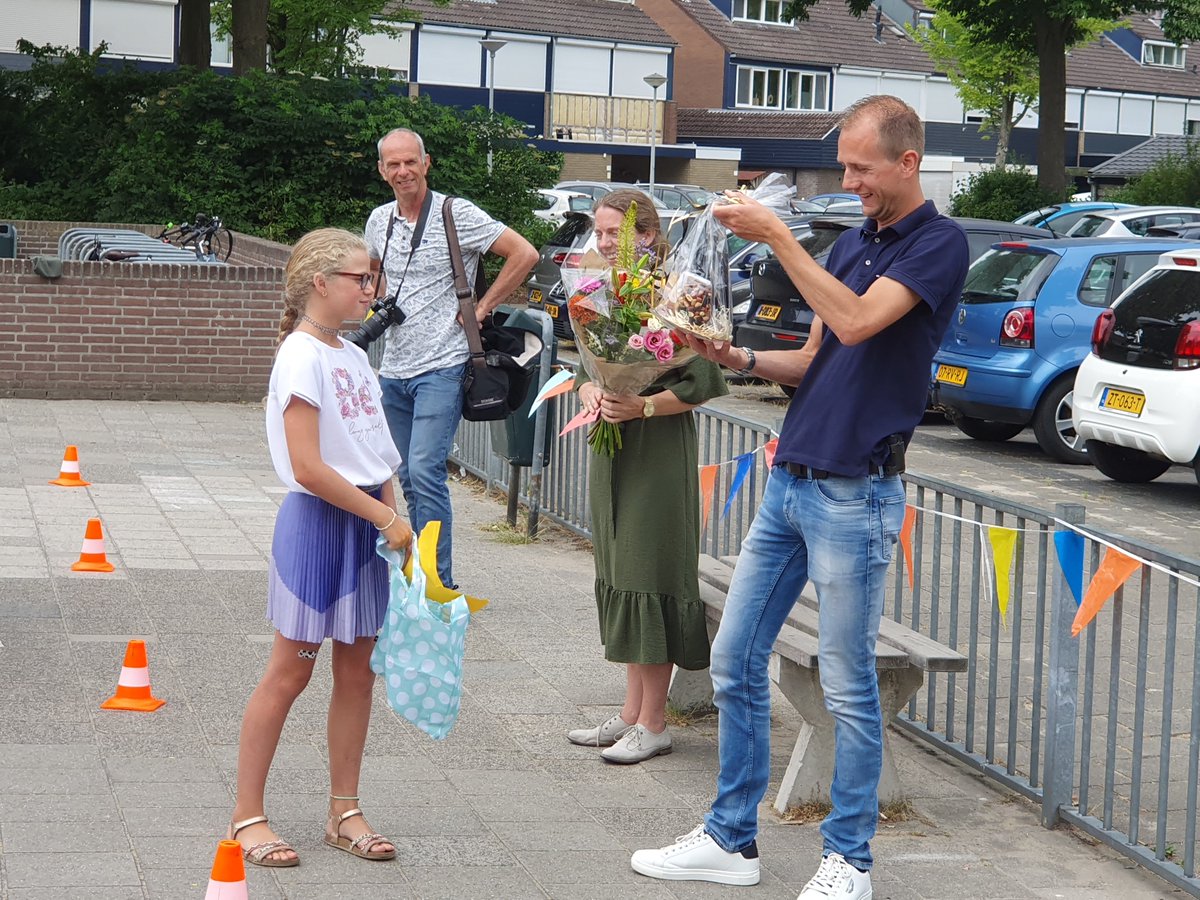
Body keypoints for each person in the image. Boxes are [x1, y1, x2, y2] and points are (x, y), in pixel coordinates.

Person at [629, 96, 970, 898]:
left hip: (856, 494)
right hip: (791, 479)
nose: (850, 182)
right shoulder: (852, 243)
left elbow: (855, 324)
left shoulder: (938, 244)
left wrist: (780, 234)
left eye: (861, 168)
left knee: (849, 685)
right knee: (732, 657)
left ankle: (847, 860)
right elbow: (816, 357)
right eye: (845, 166)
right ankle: (730, 839)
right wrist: (730, 352)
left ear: (907, 162)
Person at [228, 228, 413, 868]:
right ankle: (247, 816)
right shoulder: (300, 355)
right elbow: (308, 467)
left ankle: (344, 809)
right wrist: (382, 516)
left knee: (357, 672)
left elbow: (376, 452)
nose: (372, 289)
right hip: (320, 525)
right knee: (291, 671)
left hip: (368, 525)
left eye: (372, 278)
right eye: (361, 278)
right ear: (321, 283)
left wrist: (399, 518)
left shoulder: (354, 355)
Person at [565, 189, 728, 764]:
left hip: (658, 450)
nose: (606, 243)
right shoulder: (597, 291)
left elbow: (704, 384)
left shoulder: (681, 295)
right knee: (620, 567)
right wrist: (589, 387)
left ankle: (655, 722)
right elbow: (587, 364)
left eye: (617, 233)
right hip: (612, 448)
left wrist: (643, 407)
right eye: (601, 233)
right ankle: (631, 712)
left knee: (648, 571)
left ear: (648, 236)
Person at [366, 127, 538, 590]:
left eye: (410, 162)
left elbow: (525, 253)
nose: (403, 171)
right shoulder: (378, 220)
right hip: (394, 367)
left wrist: (481, 309)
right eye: (393, 165)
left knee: (425, 469)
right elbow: (378, 277)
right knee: (406, 475)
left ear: (426, 163)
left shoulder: (453, 212)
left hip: (443, 363)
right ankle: (416, 578)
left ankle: (437, 583)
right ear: (382, 171)